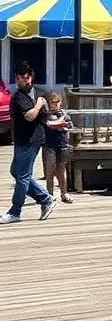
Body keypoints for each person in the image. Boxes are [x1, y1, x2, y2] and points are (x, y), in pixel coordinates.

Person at [1, 62, 58, 225]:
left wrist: (42, 107)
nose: (24, 81)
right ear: (16, 78)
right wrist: (39, 105)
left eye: (26, 78)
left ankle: (15, 212)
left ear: (31, 78)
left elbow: (43, 116)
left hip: (32, 141)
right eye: (20, 78)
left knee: (23, 177)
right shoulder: (18, 97)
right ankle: (45, 198)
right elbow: (29, 116)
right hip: (21, 139)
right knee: (16, 172)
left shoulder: (39, 93)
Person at [43, 91, 74, 204]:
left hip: (62, 144)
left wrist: (56, 124)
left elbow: (69, 125)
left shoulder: (64, 113)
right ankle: (50, 194)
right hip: (49, 145)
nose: (55, 104)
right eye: (53, 102)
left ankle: (64, 193)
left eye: (58, 101)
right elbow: (47, 125)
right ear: (49, 103)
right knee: (50, 171)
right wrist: (60, 123)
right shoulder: (46, 113)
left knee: (62, 170)